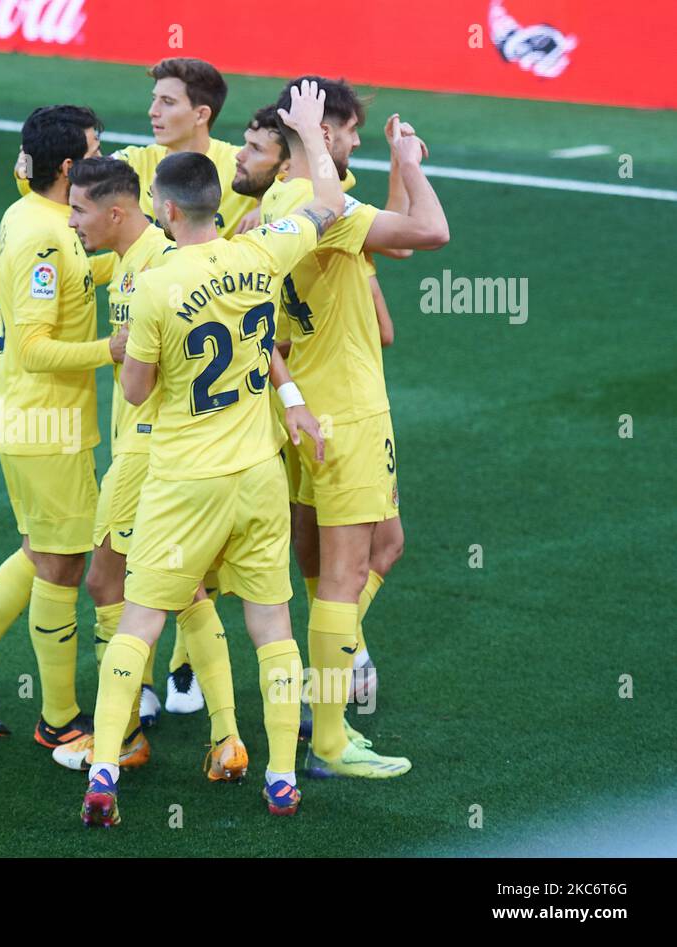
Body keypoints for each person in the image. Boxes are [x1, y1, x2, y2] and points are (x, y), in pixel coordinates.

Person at [79, 80, 337, 827]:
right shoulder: (261, 254)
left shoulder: (157, 285)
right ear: (217, 203)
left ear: (163, 209)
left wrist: (127, 348)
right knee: (273, 629)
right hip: (257, 474)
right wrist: (312, 136)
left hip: (184, 478)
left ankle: (102, 771)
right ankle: (282, 775)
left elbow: (134, 392)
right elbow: (326, 205)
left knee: (139, 622)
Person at [0, 106, 124, 753]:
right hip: (47, 422)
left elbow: (71, 275)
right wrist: (110, 350)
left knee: (44, 551)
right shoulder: (42, 234)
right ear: (68, 168)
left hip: (34, 417)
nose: (104, 159)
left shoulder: (33, 217)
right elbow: (35, 344)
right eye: (94, 153)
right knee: (63, 565)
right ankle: (59, 718)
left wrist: (125, 256)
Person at [263, 77, 449, 779]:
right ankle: (331, 737)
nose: (354, 146)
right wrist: (415, 166)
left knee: (371, 551)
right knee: (342, 577)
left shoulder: (288, 206)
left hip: (304, 410)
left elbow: (390, 242)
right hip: (349, 411)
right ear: (323, 131)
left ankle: (325, 678)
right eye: (350, 135)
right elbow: (429, 232)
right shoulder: (325, 205)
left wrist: (398, 166)